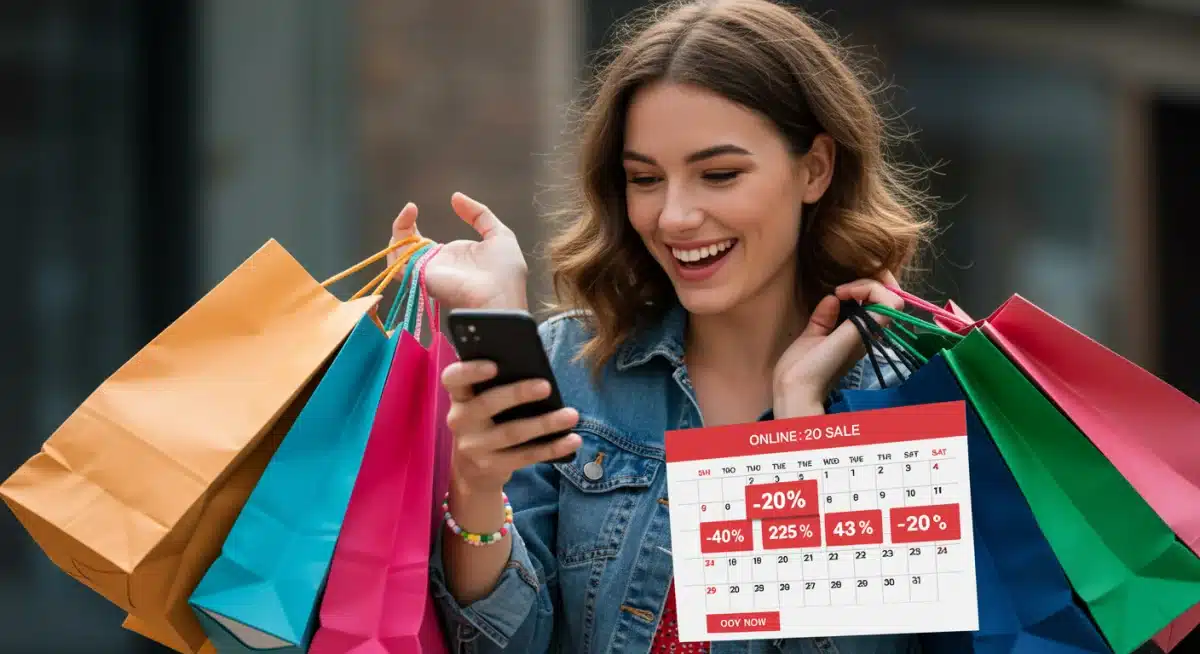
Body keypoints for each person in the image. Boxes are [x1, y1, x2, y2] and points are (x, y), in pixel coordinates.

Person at [387, 0, 934, 651]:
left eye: (719, 174)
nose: (673, 217)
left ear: (814, 168)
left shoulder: (910, 399)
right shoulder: (569, 367)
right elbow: (501, 644)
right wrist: (476, 487)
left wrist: (800, 424)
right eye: (645, 178)